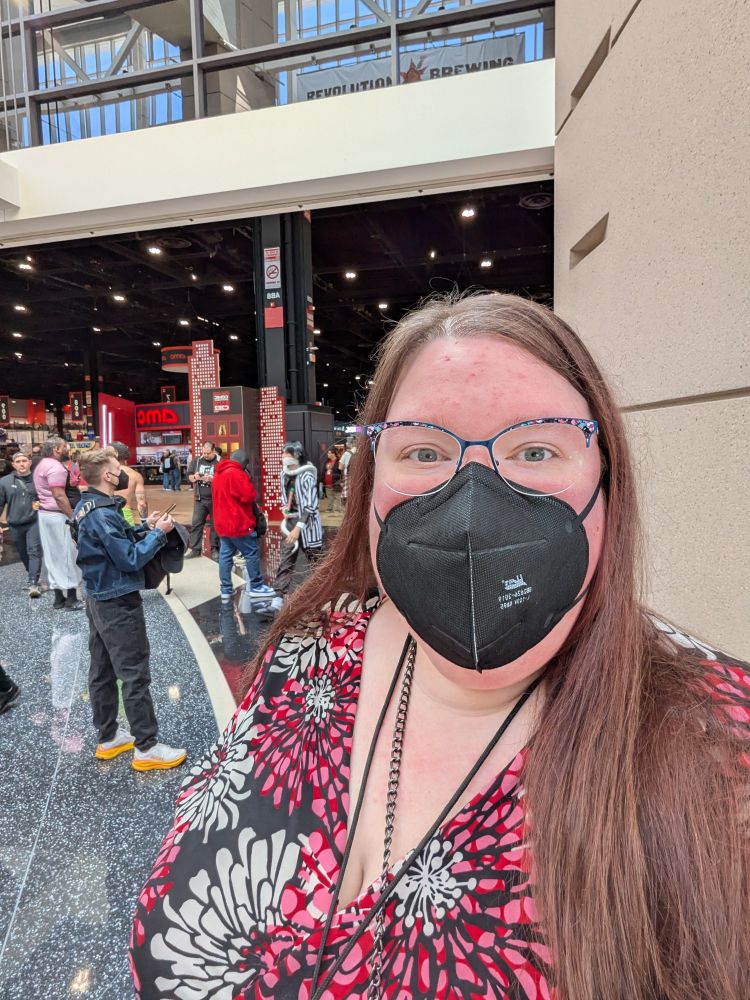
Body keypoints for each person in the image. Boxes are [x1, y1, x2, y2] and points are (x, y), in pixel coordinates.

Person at [132, 293, 749, 1000]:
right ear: (371, 483)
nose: (473, 501)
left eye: (537, 447)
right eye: (424, 450)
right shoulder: (306, 655)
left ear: (607, 479)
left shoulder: (718, 749)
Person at [74, 448, 186, 771]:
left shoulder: (87, 508)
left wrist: (145, 527)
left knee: (102, 669)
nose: (121, 471)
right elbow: (129, 559)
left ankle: (108, 736)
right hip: (118, 601)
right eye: (117, 467)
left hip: (96, 597)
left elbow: (114, 544)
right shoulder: (103, 514)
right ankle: (147, 747)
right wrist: (159, 535)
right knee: (135, 673)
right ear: (108, 476)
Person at [261, 441, 323, 617]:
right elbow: (284, 497)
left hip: (307, 525)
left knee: (316, 562)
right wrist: (285, 509)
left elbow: (310, 506)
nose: (284, 458)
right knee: (285, 560)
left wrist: (298, 529)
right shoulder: (284, 474)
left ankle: (322, 597)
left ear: (297, 456)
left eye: (287, 455)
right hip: (290, 522)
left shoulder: (307, 475)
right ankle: (277, 601)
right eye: (283, 455)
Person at [211, 448, 274, 604]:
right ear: (244, 463)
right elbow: (249, 496)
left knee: (225, 556)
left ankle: (225, 589)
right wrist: (247, 478)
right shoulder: (237, 474)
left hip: (222, 524)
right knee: (251, 553)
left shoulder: (218, 474)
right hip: (238, 523)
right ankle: (257, 586)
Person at [33, 437, 83, 611]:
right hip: (58, 516)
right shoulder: (55, 467)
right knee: (68, 555)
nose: (67, 449)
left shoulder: (41, 464)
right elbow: (59, 496)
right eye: (64, 447)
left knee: (52, 556)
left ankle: (58, 599)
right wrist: (72, 517)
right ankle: (71, 600)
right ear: (56, 449)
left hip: (45, 514)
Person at [0, 452, 43, 597]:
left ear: (30, 462)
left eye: (24, 460)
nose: (22, 464)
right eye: (18, 461)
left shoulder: (38, 480)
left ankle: (33, 583)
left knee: (34, 551)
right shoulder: (4, 482)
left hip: (34, 521)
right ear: (13, 464)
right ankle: (31, 575)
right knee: (23, 553)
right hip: (15, 523)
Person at [186, 441, 220, 560]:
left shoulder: (219, 462)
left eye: (208, 453)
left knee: (215, 525)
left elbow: (224, 479)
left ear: (214, 451)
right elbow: (189, 476)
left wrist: (212, 479)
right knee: (196, 524)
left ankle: (214, 549)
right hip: (200, 499)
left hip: (216, 499)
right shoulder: (197, 461)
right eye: (204, 453)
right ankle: (195, 549)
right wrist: (195, 477)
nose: (205, 455)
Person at [108, 441, 147, 526]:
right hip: (125, 516)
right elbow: (142, 503)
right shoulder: (135, 475)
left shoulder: (103, 473)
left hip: (106, 514)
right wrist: (144, 522)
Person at [323, 446, 342, 512]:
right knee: (329, 497)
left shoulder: (338, 462)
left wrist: (333, 475)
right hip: (327, 483)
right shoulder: (326, 462)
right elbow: (324, 471)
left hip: (336, 482)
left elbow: (341, 473)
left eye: (329, 453)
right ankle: (329, 508)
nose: (328, 454)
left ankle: (338, 509)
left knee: (337, 496)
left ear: (333, 454)